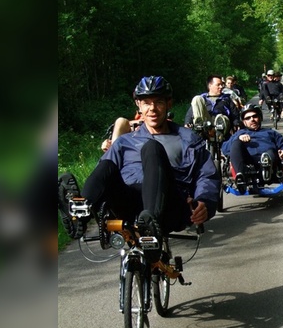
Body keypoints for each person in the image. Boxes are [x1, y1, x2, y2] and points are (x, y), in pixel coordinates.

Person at [58, 76, 221, 262]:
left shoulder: (188, 139)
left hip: (170, 203)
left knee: (151, 148)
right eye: (146, 103)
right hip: (130, 204)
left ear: (169, 104)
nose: (152, 109)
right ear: (139, 106)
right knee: (107, 164)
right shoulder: (125, 142)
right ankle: (79, 212)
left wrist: (205, 201)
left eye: (158, 102)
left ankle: (150, 223)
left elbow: (206, 175)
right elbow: (104, 178)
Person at [221, 104, 283, 193]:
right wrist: (238, 139)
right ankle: (240, 178)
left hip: (269, 159)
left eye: (255, 116)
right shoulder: (239, 134)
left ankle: (266, 172)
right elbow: (225, 148)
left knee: (269, 153)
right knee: (235, 143)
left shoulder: (271, 132)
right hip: (246, 161)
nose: (252, 119)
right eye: (248, 118)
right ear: (244, 122)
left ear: (260, 117)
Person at [184, 75, 240, 141]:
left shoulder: (227, 98)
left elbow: (235, 114)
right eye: (218, 85)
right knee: (196, 98)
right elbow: (192, 111)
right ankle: (199, 125)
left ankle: (218, 133)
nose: (221, 87)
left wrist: (236, 124)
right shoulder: (203, 98)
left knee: (220, 117)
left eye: (222, 84)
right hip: (206, 123)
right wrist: (187, 123)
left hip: (222, 124)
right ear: (210, 86)